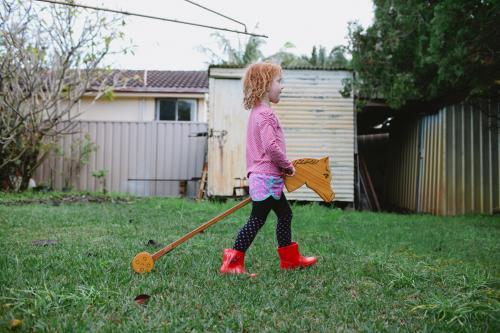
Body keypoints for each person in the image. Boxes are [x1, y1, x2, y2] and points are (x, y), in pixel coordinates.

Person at [219, 62, 317, 276]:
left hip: (265, 178)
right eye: (279, 81)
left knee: (284, 215)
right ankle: (233, 263)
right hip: (266, 178)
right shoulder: (266, 115)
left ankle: (290, 259)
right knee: (257, 219)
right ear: (264, 84)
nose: (283, 86)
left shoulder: (257, 112)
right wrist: (287, 166)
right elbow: (271, 147)